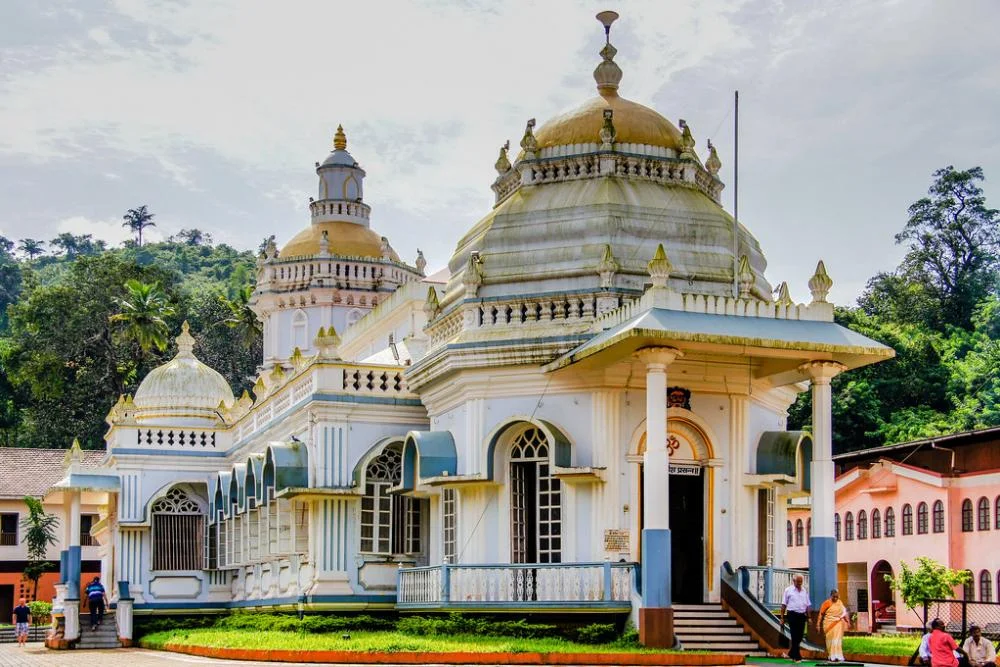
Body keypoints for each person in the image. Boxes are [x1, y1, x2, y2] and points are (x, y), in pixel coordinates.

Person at [780, 573, 811, 663]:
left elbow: (808, 605)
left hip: (802, 615)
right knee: (794, 635)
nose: (800, 583)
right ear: (794, 581)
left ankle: (791, 653)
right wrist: (782, 618)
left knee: (800, 636)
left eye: (801, 581)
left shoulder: (804, 591)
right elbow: (783, 604)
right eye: (798, 581)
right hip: (792, 614)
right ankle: (797, 656)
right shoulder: (788, 590)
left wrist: (809, 617)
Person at [816, 588, 849, 662]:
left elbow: (843, 613)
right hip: (828, 624)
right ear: (831, 596)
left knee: (837, 640)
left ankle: (838, 656)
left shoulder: (840, 602)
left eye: (837, 597)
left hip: (838, 624)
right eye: (834, 596)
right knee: (830, 640)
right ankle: (832, 656)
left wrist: (847, 621)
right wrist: (818, 624)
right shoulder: (827, 603)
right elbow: (821, 614)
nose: (835, 598)